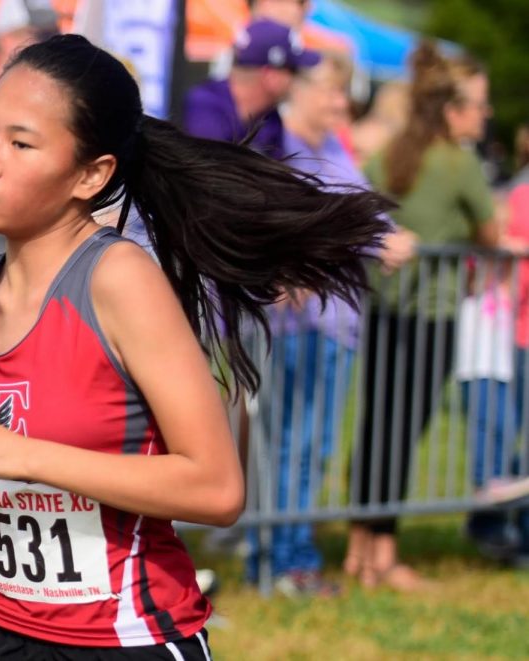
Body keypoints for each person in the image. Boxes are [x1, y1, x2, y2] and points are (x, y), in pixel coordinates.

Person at [0, 34, 388, 657]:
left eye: (20, 143)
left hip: (123, 639)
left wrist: (18, 456)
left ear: (92, 173)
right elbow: (50, 444)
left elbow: (215, 487)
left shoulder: (119, 281)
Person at [248, 51, 416, 597]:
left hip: (337, 322)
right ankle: (277, 560)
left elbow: (365, 205)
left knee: (315, 448)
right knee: (288, 447)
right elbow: (309, 218)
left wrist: (390, 232)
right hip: (296, 323)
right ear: (302, 90)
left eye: (344, 94)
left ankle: (295, 556)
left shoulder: (333, 147)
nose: (341, 104)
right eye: (332, 93)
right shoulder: (281, 147)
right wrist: (375, 238)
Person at [347, 42, 508, 591]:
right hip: (430, 313)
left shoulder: (390, 152)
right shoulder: (458, 163)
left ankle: (359, 549)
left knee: (375, 427)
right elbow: (491, 234)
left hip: (383, 308)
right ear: (452, 109)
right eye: (479, 106)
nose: (484, 117)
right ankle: (385, 555)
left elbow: (359, 196)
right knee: (403, 430)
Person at [455, 124, 529, 567]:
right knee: (499, 435)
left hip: (512, 333)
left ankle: (503, 523)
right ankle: (499, 526)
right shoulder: (517, 195)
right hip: (514, 334)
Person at [183, 18, 319, 157]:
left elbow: (275, 174)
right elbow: (211, 173)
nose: (296, 81)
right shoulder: (204, 108)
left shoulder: (269, 118)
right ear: (270, 76)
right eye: (293, 71)